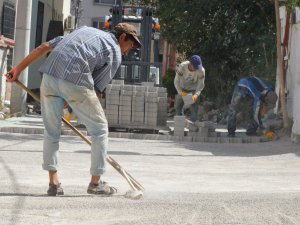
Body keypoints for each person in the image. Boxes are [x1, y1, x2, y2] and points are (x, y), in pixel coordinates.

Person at [5, 23, 141, 196]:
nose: (127, 52)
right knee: (99, 130)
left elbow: (44, 47)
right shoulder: (114, 51)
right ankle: (96, 183)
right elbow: (96, 89)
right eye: (129, 46)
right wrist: (72, 103)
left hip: (49, 78)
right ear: (122, 37)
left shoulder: (82, 31)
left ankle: (54, 183)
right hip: (75, 81)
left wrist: (17, 70)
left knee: (51, 132)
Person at [174, 55, 205, 124]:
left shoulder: (201, 70)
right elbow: (176, 81)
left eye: (198, 67)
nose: (197, 69)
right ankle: (179, 124)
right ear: (190, 64)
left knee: (194, 107)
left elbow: (200, 85)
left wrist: (196, 95)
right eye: (195, 67)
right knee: (178, 105)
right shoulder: (182, 67)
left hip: (194, 89)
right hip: (182, 88)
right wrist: (181, 92)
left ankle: (192, 126)